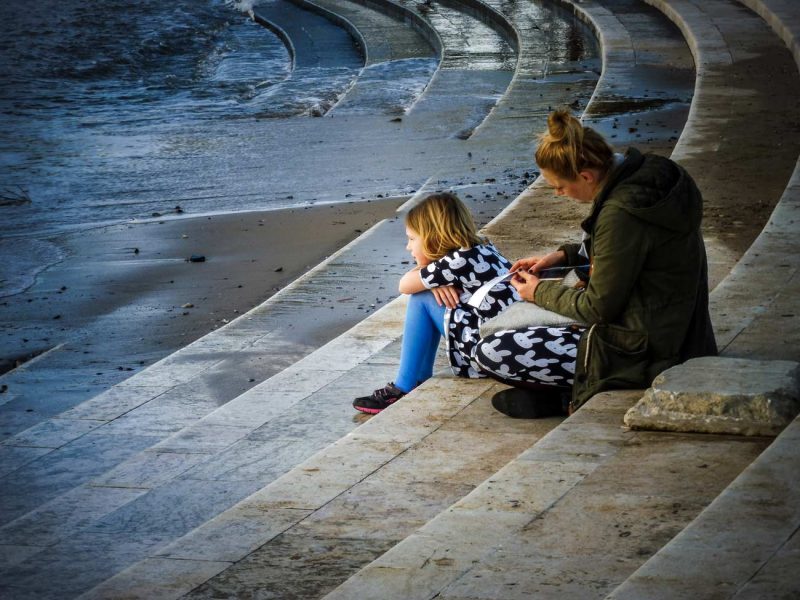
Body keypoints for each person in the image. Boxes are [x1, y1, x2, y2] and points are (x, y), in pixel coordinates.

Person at [474, 109, 717, 418]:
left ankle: (568, 398)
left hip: (646, 350)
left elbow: (598, 307)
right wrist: (566, 256)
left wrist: (538, 293)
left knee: (492, 351)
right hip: (682, 333)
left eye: (559, 186)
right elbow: (636, 251)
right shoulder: (653, 175)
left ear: (586, 176)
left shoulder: (621, 214)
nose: (560, 194)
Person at [353, 192, 519, 414]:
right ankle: (417, 378)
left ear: (434, 236)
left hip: (486, 356)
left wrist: (430, 281)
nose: (408, 247)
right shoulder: (482, 247)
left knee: (421, 297)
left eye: (412, 239)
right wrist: (434, 281)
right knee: (427, 293)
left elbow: (404, 285)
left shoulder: (456, 262)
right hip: (506, 348)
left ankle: (403, 386)